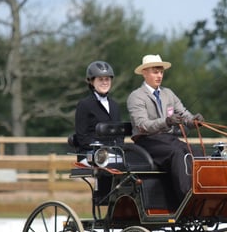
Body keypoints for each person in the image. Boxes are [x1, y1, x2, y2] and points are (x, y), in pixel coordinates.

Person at [127, 54, 204, 200]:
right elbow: (142, 125)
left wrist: (193, 121)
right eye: (155, 72)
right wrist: (167, 122)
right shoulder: (136, 97)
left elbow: (184, 113)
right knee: (177, 153)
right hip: (148, 141)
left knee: (197, 153)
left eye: (161, 72)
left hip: (168, 139)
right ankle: (186, 196)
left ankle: (202, 191)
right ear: (144, 73)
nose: (159, 75)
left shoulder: (168, 94)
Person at [74, 60, 122, 156]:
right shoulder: (84, 104)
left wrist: (117, 149)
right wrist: (102, 147)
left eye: (107, 79)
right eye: (100, 79)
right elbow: (82, 137)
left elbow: (119, 134)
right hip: (91, 154)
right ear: (91, 81)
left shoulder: (115, 105)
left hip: (113, 153)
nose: (104, 82)